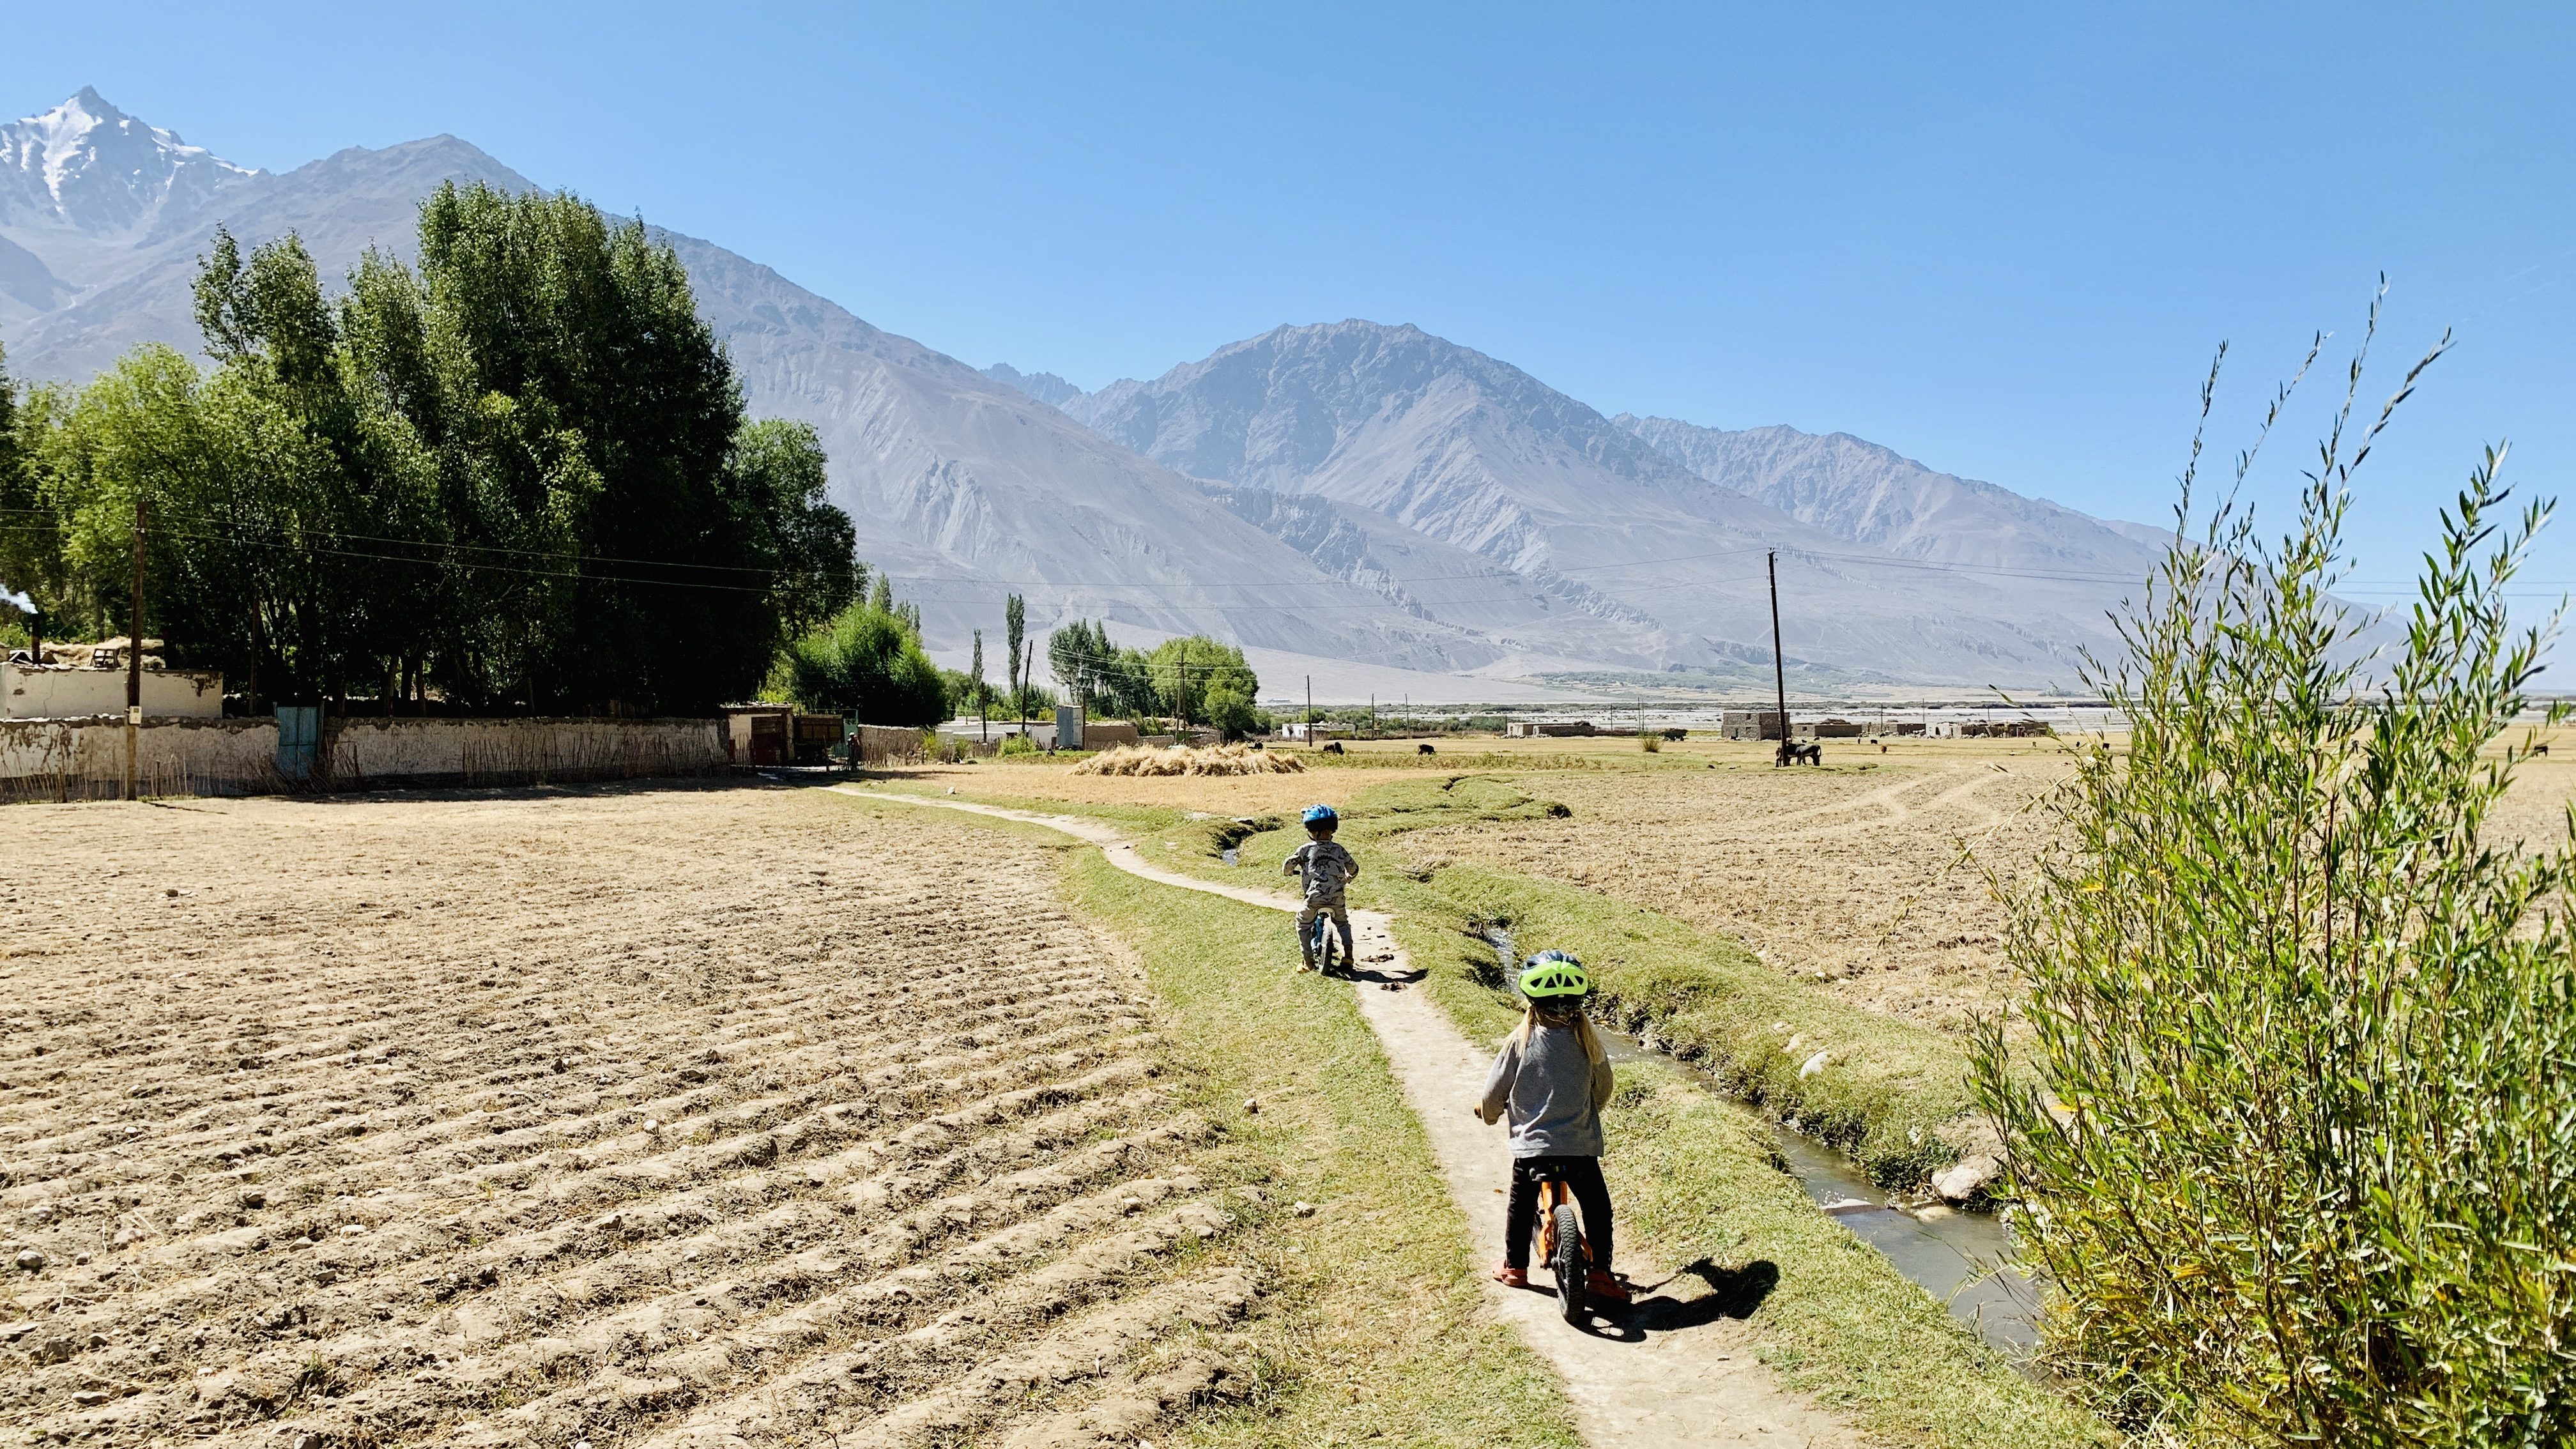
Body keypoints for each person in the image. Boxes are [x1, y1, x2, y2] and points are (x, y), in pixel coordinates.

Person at [1475, 951, 1628, 1305]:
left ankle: (1515, 1268)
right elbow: (1603, 1088)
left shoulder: (1519, 1041)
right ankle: (1602, 1275)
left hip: (1532, 1150)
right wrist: (1590, 1109)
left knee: (1519, 1204)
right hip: (1580, 1148)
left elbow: (1494, 1093)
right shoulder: (1588, 1043)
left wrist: (1489, 1115)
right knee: (1597, 1207)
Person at [1282, 803, 1360, 973]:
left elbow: (1289, 864)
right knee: (1342, 923)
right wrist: (1347, 879)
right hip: (1337, 898)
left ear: (1312, 831)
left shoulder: (1305, 849)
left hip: (1314, 898)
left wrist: (1289, 873)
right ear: (1332, 829)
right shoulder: (1339, 849)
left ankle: (1308, 962)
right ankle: (1348, 956)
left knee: (1302, 924)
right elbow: (1354, 869)